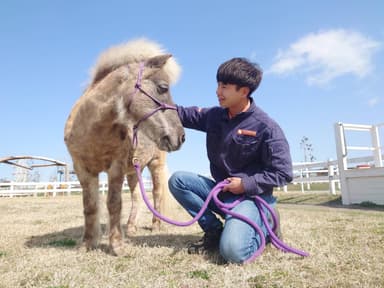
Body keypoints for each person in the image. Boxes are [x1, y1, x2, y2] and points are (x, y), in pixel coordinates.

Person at [168, 57, 293, 264]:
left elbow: (283, 173)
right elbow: (181, 113)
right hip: (222, 192)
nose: (218, 91)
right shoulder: (214, 116)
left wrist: (245, 184)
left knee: (233, 253)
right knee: (178, 180)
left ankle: (266, 222)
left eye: (224, 86)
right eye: (218, 85)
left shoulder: (267, 127)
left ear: (244, 91)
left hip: (251, 198)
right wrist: (147, 101)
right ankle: (214, 230)